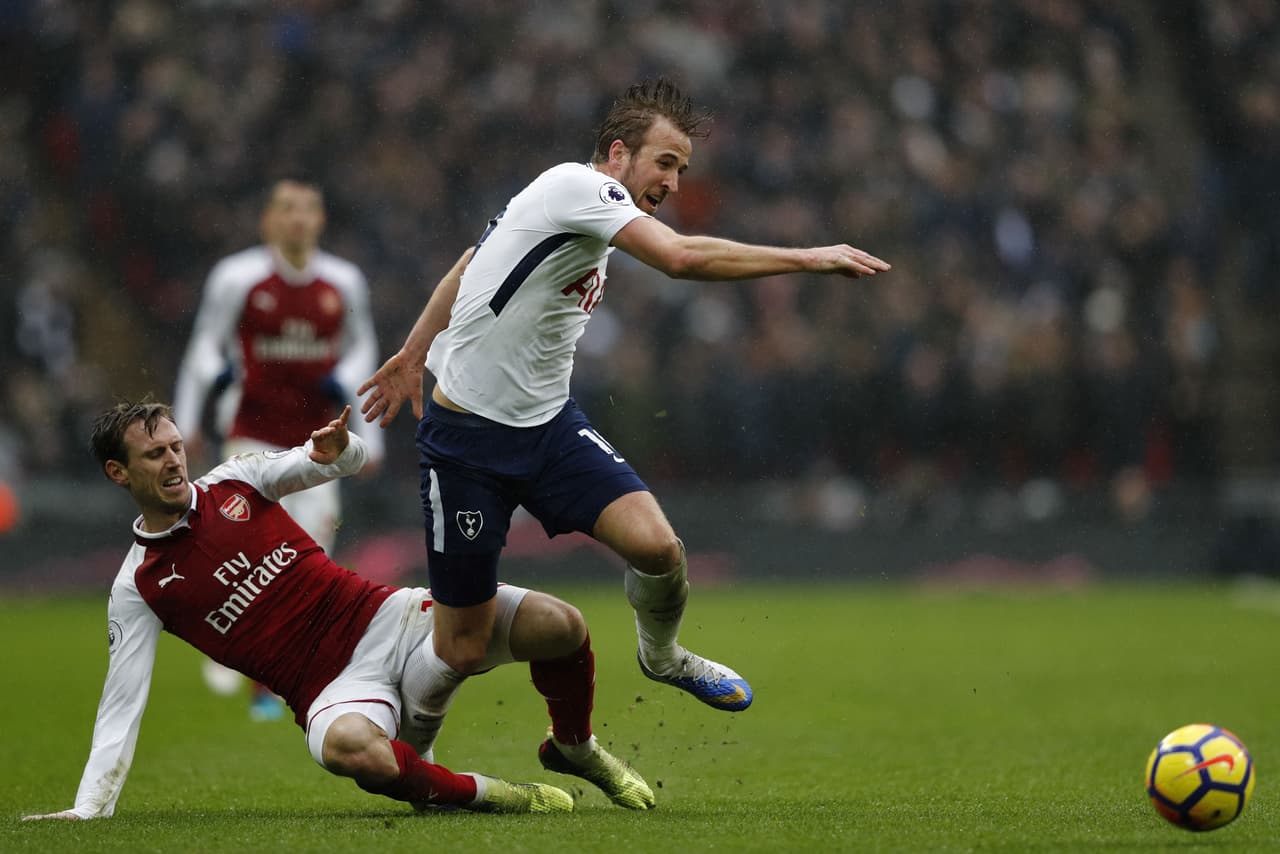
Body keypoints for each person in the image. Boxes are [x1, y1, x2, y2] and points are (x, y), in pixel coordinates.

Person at [358, 78, 891, 732]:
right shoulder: (582, 188)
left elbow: (472, 261)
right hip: (467, 441)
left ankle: (661, 656)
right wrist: (808, 258)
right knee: (462, 648)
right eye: (665, 162)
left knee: (659, 548)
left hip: (548, 428)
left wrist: (413, 352)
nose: (674, 182)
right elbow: (681, 258)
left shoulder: (571, 207)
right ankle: (407, 738)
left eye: (682, 168)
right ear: (617, 154)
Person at [22, 400, 654, 821]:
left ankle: (575, 747)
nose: (173, 461)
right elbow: (121, 703)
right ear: (118, 472)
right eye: (154, 454)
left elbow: (335, 462)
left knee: (561, 626)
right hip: (332, 690)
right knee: (351, 750)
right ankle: (493, 796)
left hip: (391, 618)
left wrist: (339, 448)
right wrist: (90, 808)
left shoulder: (235, 480)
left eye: (175, 446)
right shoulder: (139, 586)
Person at [173, 177, 384, 719]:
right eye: (287, 208)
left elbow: (362, 348)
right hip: (250, 435)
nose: (297, 218)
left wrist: (368, 431)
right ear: (267, 220)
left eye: (307, 209)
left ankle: (274, 677)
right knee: (243, 553)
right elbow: (204, 344)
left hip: (318, 445)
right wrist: (191, 415)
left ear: (321, 220)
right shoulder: (237, 277)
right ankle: (236, 652)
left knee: (311, 554)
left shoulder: (343, 281)